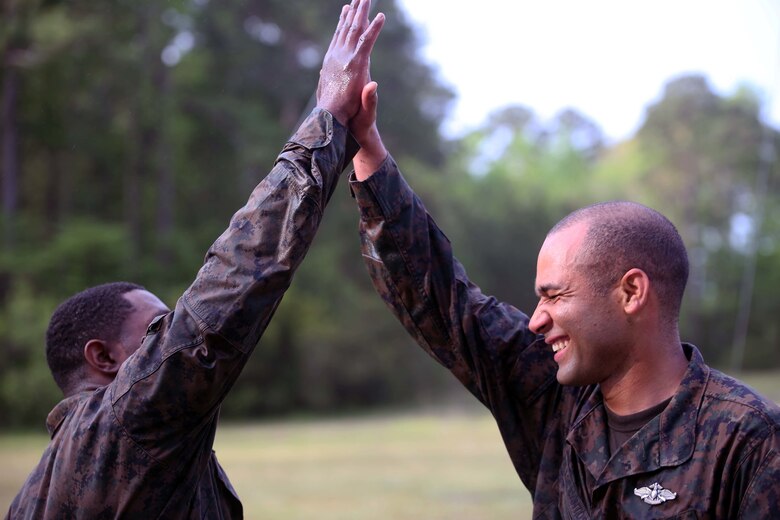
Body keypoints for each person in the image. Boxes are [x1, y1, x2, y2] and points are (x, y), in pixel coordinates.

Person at [344, 48, 780, 517]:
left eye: (556, 295)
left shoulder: (748, 440)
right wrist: (367, 147)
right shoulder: (554, 399)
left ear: (632, 292)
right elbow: (441, 301)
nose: (536, 321)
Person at [6, 1, 384, 518]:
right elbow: (225, 293)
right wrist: (328, 120)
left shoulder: (52, 483)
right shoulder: (125, 426)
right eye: (158, 328)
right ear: (104, 359)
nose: (173, 335)